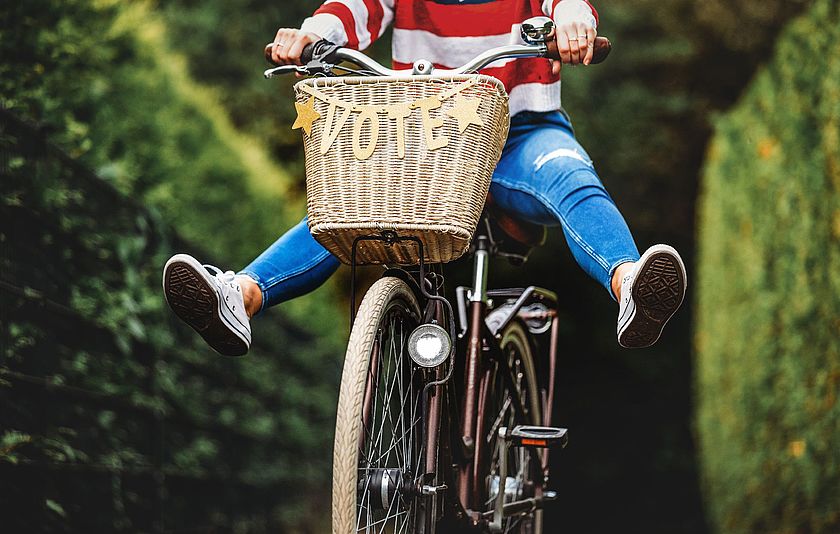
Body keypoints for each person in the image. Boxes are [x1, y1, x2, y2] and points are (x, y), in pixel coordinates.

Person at [162, 0, 687, 357]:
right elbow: (357, 8)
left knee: (569, 176)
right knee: (347, 205)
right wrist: (313, 36)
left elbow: (567, 4)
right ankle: (241, 298)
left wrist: (572, 22)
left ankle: (630, 284)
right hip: (428, 137)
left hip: (520, 130)